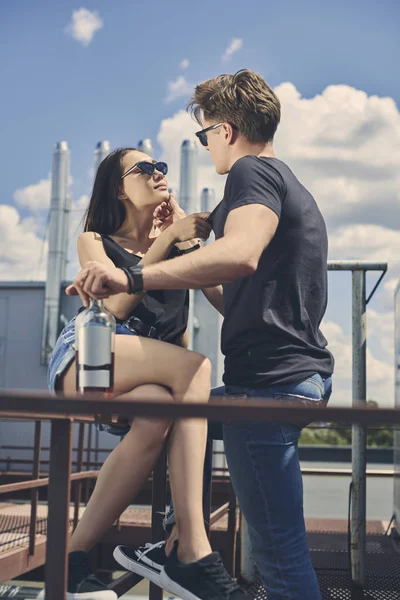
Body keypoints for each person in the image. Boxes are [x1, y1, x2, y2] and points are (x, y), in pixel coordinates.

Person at [68, 69, 335, 600]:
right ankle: (178, 546)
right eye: (145, 168)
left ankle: (182, 547)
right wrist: (172, 248)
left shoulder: (250, 175)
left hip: (268, 384)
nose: (204, 145)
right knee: (176, 411)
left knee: (280, 557)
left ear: (226, 131)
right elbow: (216, 292)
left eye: (203, 133)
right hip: (270, 379)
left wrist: (152, 264)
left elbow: (236, 259)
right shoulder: (276, 180)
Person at [41, 147, 246, 600]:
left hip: (141, 372)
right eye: (144, 169)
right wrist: (166, 238)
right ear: (119, 188)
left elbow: (225, 306)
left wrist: (190, 248)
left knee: (159, 416)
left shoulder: (174, 248)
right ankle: (192, 548)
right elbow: (114, 306)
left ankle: (71, 560)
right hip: (88, 355)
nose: (157, 174)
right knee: (198, 369)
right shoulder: (95, 240)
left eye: (161, 167)